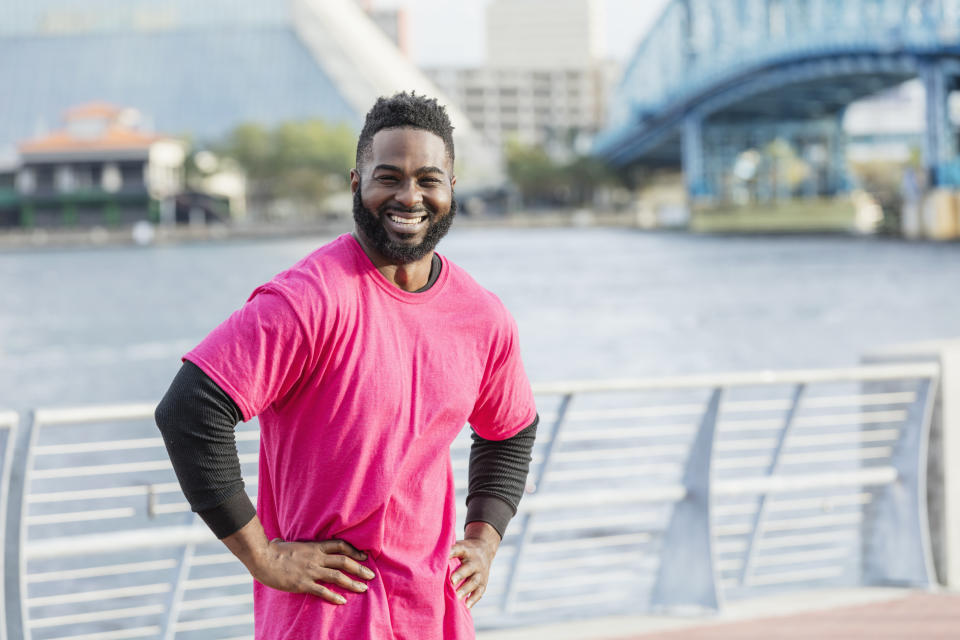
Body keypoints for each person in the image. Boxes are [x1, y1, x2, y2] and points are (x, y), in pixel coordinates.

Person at [155, 92, 538, 640]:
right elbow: (189, 411)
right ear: (356, 183)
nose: (410, 197)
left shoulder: (481, 316)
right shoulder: (307, 299)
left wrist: (484, 538)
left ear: (451, 189)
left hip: (435, 617)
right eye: (389, 177)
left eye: (429, 179)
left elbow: (512, 430)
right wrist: (264, 557)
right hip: (323, 619)